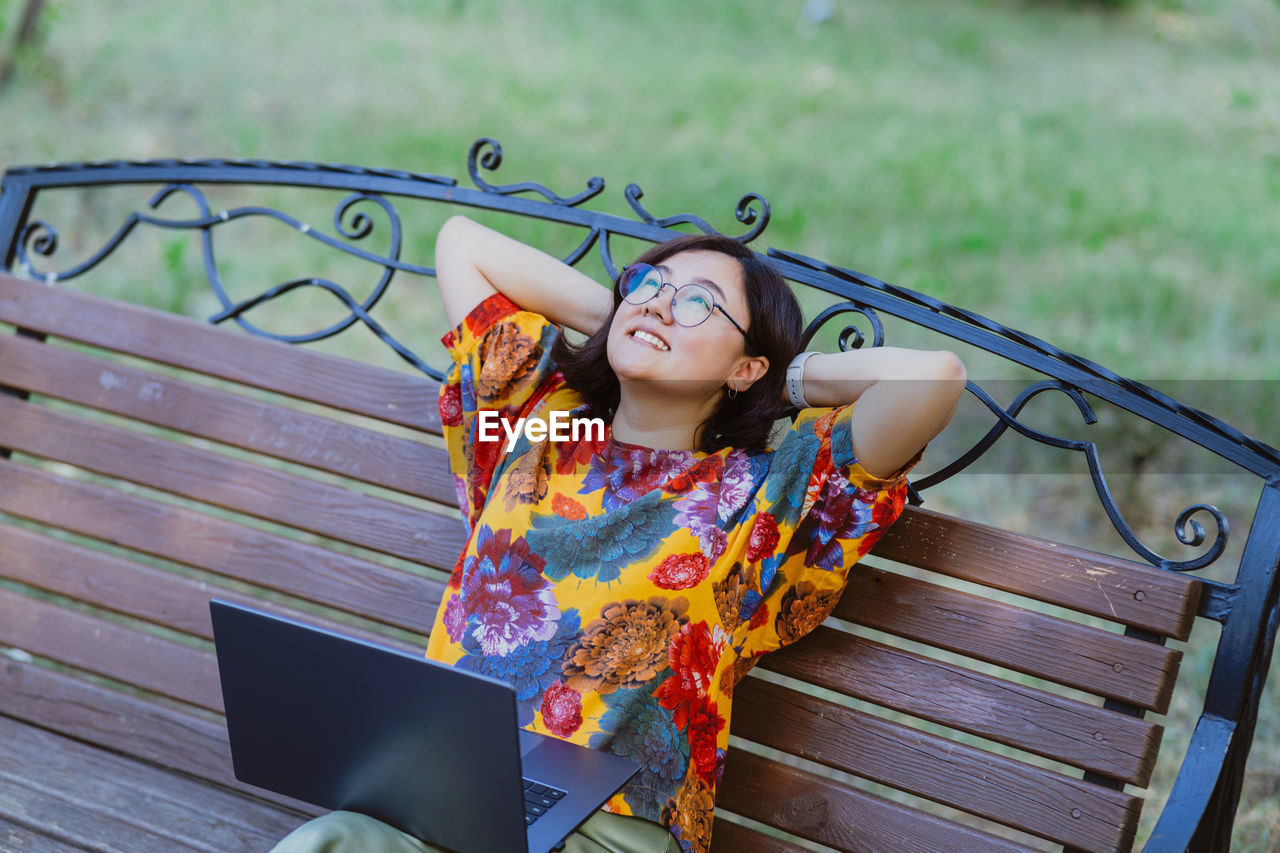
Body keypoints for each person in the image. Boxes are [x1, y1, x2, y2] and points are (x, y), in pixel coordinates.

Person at [273, 216, 966, 853]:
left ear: (745, 366)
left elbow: (935, 377)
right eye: (648, 283)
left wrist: (780, 378)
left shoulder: (768, 488)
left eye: (699, 302)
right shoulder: (537, 419)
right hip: (442, 795)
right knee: (326, 842)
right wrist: (632, 320)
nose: (661, 302)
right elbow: (462, 242)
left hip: (603, 827)